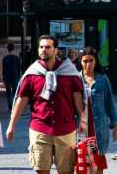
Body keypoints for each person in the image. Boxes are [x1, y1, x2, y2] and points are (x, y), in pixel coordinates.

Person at [6, 35, 86, 174]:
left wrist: (83, 119)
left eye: (48, 47)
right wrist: (11, 124)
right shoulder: (32, 73)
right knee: (41, 170)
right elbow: (21, 99)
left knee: (66, 171)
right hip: (40, 128)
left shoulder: (69, 71)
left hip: (65, 129)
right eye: (41, 47)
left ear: (55, 50)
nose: (44, 50)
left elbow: (78, 97)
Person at [79, 47, 117, 174]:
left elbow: (110, 103)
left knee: (97, 164)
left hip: (98, 129)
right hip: (80, 129)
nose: (88, 64)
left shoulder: (102, 79)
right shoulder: (75, 79)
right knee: (82, 164)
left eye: (91, 60)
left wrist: (115, 125)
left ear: (96, 61)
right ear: (80, 62)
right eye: (85, 61)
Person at [2, 43, 23, 113]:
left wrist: (4, 79)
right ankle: (14, 106)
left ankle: (10, 106)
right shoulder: (17, 58)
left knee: (8, 92)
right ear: (13, 49)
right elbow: (19, 69)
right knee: (15, 92)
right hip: (15, 76)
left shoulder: (5, 59)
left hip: (7, 77)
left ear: (7, 49)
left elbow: (4, 70)